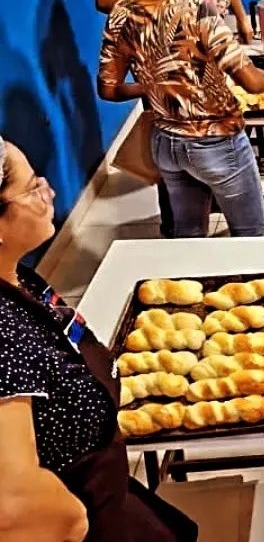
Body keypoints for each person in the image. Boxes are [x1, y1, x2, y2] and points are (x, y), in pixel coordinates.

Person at [0, 136, 197, 542]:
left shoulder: (12, 276)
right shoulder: (3, 336)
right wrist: (77, 521)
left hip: (108, 490)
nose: (49, 190)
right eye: (33, 186)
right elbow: (15, 507)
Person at [97, 0, 264, 238]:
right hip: (217, 142)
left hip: (165, 142)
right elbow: (252, 82)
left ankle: (192, 282)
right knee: (251, 232)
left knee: (187, 233)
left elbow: (109, 89)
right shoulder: (199, 11)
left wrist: (158, 86)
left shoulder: (123, 11)